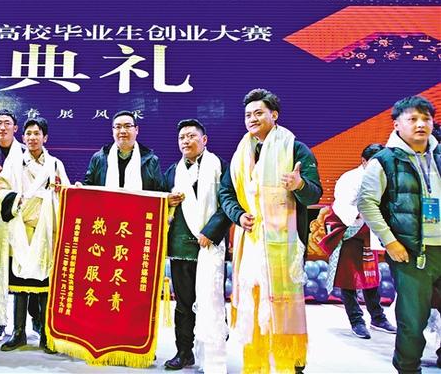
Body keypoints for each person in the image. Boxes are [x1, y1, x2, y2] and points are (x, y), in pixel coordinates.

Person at [219, 89, 322, 373]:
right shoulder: (241, 153)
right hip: (250, 243)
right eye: (248, 115)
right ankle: (256, 363)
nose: (252, 119)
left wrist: (299, 185)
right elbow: (226, 193)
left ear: (274, 115)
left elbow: (314, 193)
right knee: (252, 305)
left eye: (258, 113)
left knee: (284, 306)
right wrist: (238, 215)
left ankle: (290, 364)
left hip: (283, 247)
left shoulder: (295, 149)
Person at [358, 95, 441, 374]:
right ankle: (408, 368)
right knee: (412, 320)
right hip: (411, 253)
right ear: (396, 124)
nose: (421, 124)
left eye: (426, 119)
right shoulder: (384, 161)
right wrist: (391, 242)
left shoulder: (439, 155)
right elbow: (367, 203)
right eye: (413, 119)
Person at [0, 117, 69, 353]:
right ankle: (18, 333)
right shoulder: (14, 163)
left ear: (45, 137)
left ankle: (46, 334)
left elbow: (66, 195)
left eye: (37, 133)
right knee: (20, 286)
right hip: (20, 231)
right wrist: (16, 200)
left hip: (46, 233)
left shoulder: (55, 165)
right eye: (29, 134)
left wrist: (64, 194)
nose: (32, 138)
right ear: (23, 137)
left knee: (45, 285)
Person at [163, 119, 232, 372]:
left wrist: (210, 232)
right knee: (183, 305)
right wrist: (167, 201)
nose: (186, 141)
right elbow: (158, 201)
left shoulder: (220, 167)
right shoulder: (172, 172)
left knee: (211, 301)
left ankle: (212, 353)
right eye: (182, 137)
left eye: (191, 136)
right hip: (181, 249)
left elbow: (229, 203)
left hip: (209, 247)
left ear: (204, 140)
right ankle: (184, 352)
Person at [318, 143, 396, 339]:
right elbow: (342, 205)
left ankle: (378, 318)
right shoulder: (350, 178)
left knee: (371, 276)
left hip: (370, 231)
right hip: (349, 229)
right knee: (349, 277)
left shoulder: (385, 177)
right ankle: (356, 321)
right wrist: (365, 213)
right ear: (364, 161)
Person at [0, 109, 41, 342]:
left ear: (16, 129)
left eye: (7, 123)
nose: (3, 127)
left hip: (23, 222)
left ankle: (33, 319)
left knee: (27, 269)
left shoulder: (28, 154)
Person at [84, 110, 163, 191]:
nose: (122, 131)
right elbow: (87, 188)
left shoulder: (151, 160)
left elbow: (159, 192)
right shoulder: (99, 158)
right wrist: (80, 188)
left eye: (127, 126)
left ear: (136, 130)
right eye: (118, 127)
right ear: (113, 131)